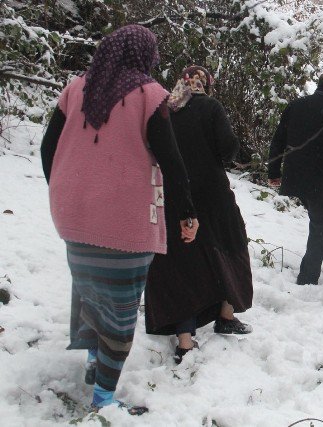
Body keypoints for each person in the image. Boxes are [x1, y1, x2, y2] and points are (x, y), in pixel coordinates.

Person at [40, 25, 198, 414]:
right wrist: (187, 212)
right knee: (121, 309)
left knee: (92, 292)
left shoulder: (76, 88)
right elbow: (172, 160)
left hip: (72, 217)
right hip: (124, 223)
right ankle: (104, 401)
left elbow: (48, 148)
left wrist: (64, 189)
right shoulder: (149, 94)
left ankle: (96, 362)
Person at [144, 66, 253, 364]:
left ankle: (185, 340)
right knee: (232, 246)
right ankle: (226, 315)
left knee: (182, 263)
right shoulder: (210, 106)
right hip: (212, 193)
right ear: (205, 84)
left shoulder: (163, 108)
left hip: (174, 194)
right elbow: (228, 148)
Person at [267, 71, 323, 285]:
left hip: (294, 176)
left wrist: (274, 171)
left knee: (319, 220)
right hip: (320, 180)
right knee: (318, 224)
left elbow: (278, 139)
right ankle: (307, 279)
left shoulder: (295, 105)